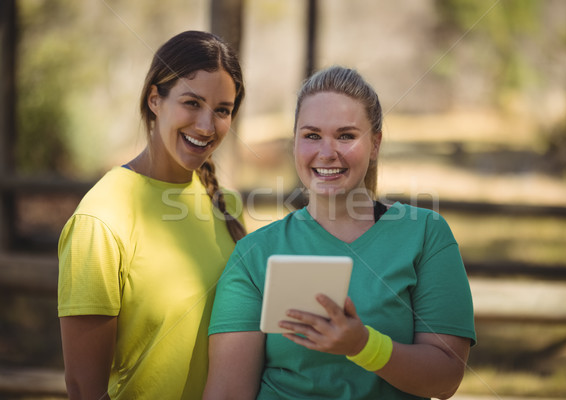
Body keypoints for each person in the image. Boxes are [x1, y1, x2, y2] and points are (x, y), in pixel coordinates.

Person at [203, 66, 476, 400]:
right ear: (295, 144)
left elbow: (445, 379)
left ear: (375, 144)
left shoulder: (426, 236)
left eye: (346, 136)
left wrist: (363, 346)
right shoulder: (255, 253)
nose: (327, 152)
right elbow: (228, 393)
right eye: (312, 135)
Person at [57, 30, 246, 400]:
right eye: (192, 103)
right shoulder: (100, 220)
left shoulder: (225, 204)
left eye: (222, 110)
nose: (207, 127)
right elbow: (84, 389)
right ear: (155, 99)